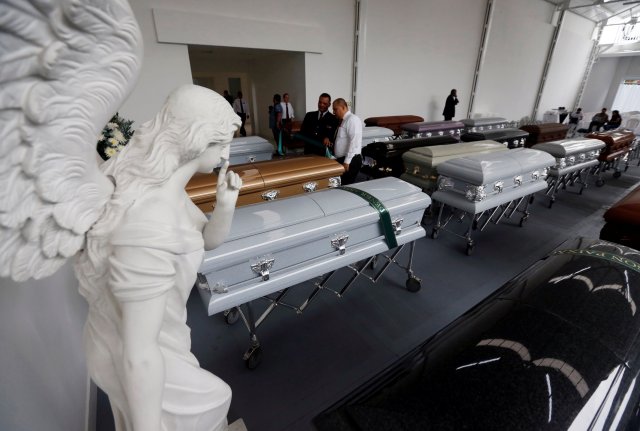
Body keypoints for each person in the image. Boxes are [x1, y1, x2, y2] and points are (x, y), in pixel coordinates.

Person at [75, 85, 242, 430]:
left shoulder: (166, 190)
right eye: (223, 140)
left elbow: (206, 241)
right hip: (136, 352)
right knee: (215, 399)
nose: (227, 152)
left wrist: (224, 205)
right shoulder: (150, 221)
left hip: (167, 337)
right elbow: (138, 355)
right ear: (198, 139)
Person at [332, 98, 363, 185]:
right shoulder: (343, 120)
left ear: (343, 107)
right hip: (343, 159)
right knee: (340, 185)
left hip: (350, 160)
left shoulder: (352, 119)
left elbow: (354, 142)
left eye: (335, 109)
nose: (334, 112)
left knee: (346, 186)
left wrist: (347, 161)